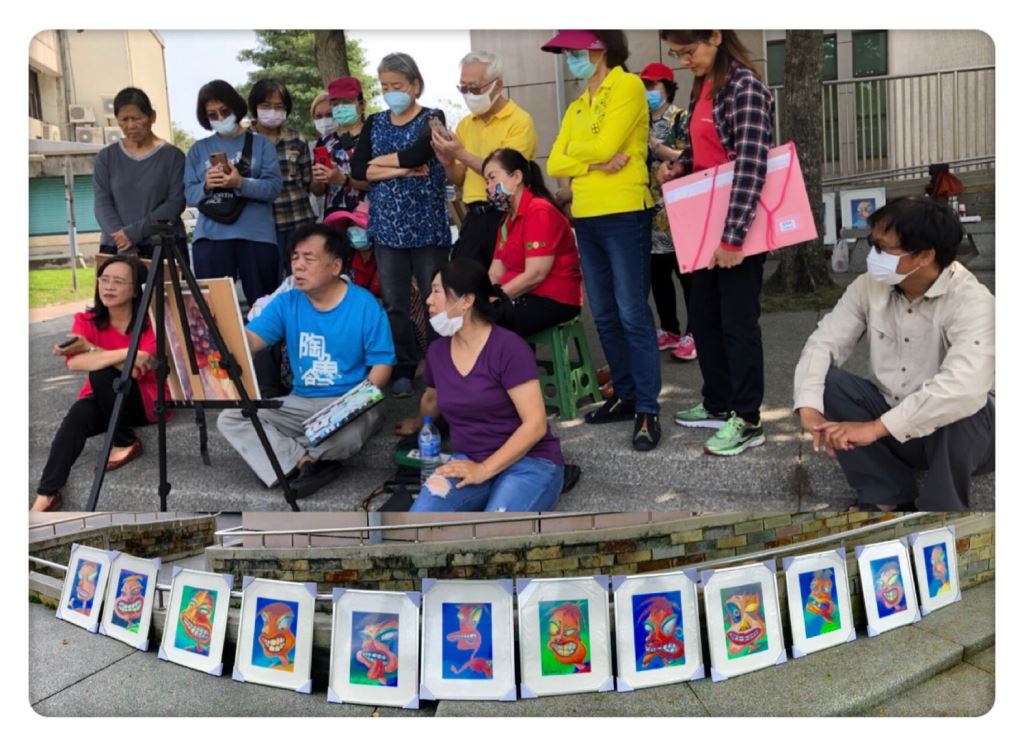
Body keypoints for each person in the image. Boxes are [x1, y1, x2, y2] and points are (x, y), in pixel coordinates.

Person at [793, 196, 994, 512]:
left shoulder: (973, 302)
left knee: (963, 406)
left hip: (963, 438)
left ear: (925, 256)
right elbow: (824, 342)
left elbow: (963, 388)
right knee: (828, 385)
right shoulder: (868, 286)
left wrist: (874, 429)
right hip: (892, 417)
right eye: (873, 245)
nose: (874, 257)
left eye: (884, 249)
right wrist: (809, 409)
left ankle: (938, 513)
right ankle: (886, 494)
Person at [543, 30, 662, 451]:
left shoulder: (627, 85)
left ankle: (647, 405)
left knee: (632, 312)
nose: (571, 59)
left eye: (577, 51)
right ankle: (626, 395)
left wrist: (580, 156)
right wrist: (594, 159)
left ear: (601, 48)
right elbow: (553, 158)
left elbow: (605, 144)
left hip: (625, 211)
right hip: (586, 216)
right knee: (605, 314)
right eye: (567, 53)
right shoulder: (577, 104)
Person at [657, 30, 774, 457]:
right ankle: (718, 403)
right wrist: (679, 166)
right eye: (677, 54)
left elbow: (750, 165)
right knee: (704, 319)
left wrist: (733, 237)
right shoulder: (704, 86)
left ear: (715, 36)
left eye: (689, 51)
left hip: (735, 231)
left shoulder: (745, 87)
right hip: (705, 225)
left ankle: (747, 420)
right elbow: (699, 151)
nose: (684, 61)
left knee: (738, 324)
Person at [217, 224, 395, 499]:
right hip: (299, 402)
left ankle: (279, 457)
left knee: (346, 437)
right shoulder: (287, 302)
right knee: (230, 418)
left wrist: (352, 406)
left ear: (335, 266)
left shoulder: (364, 304)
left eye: (308, 258)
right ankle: (304, 462)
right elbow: (251, 341)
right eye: (295, 258)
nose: (298, 266)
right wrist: (218, 328)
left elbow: (382, 366)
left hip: (351, 400)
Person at [394, 259, 565, 512]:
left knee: (493, 529)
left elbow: (535, 425)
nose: (428, 300)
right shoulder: (438, 351)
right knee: (421, 520)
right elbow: (432, 399)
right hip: (468, 460)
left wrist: (485, 469)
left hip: (529, 462)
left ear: (466, 301)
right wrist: (419, 423)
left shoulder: (509, 348)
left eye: (437, 291)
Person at [350, 53, 451, 399]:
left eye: (398, 85)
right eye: (385, 86)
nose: (391, 92)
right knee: (395, 303)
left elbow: (418, 154)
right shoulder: (375, 123)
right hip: (388, 230)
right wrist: (401, 170)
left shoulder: (432, 118)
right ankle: (404, 368)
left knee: (434, 299)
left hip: (427, 226)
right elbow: (358, 170)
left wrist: (385, 164)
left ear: (415, 85)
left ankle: (440, 369)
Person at [32, 256, 166, 511]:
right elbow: (73, 363)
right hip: (104, 400)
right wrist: (128, 354)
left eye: (118, 281)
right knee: (78, 414)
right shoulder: (87, 319)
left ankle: (125, 440)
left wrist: (93, 351)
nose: (108, 287)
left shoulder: (150, 323)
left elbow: (139, 371)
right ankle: (47, 494)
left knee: (102, 374)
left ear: (136, 289)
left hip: (143, 400)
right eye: (104, 279)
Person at [430, 51, 538, 269]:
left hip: (507, 214)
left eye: (475, 88)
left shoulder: (519, 120)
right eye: (463, 88)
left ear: (498, 86)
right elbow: (460, 178)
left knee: (504, 286)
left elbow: (507, 176)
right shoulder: (466, 124)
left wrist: (460, 153)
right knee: (466, 285)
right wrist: (448, 162)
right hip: (474, 214)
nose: (469, 94)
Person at [184, 79, 283, 306]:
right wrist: (207, 185)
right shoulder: (198, 149)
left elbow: (273, 188)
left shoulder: (262, 144)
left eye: (224, 111)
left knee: (264, 307)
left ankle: (266, 344)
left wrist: (240, 182)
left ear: (235, 108)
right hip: (211, 237)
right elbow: (189, 195)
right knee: (214, 310)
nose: (219, 118)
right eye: (212, 115)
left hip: (256, 236)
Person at [482, 148, 582, 337]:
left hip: (554, 298)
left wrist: (495, 300)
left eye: (493, 178)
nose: (489, 187)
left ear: (517, 176)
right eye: (487, 181)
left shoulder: (538, 211)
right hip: (522, 295)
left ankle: (514, 366)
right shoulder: (507, 220)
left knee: (484, 325)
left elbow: (535, 274)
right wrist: (479, 298)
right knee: (470, 317)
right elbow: (496, 271)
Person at [640, 63, 697, 362]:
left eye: (653, 86)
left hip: (678, 206)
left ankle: (695, 331)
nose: (648, 92)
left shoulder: (680, 117)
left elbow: (688, 156)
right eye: (644, 86)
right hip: (648, 208)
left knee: (686, 273)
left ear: (668, 87)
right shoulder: (638, 120)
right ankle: (669, 328)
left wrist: (657, 147)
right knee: (657, 273)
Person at [92, 87, 186, 259]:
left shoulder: (173, 157)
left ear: (152, 117)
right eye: (124, 120)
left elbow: (175, 203)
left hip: (162, 246)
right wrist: (121, 238)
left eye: (137, 118)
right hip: (116, 246)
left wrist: (133, 233)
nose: (130, 126)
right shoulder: (106, 158)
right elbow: (102, 203)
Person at [248, 78, 316, 279]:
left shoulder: (297, 139)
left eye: (279, 107)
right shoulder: (244, 141)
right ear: (255, 107)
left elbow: (308, 183)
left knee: (304, 281)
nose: (272, 111)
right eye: (266, 106)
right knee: (268, 286)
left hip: (298, 221)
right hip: (262, 227)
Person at [311, 77, 371, 221]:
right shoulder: (325, 142)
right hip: (334, 220)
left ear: (362, 105)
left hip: (369, 219)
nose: (340, 108)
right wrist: (319, 178)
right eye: (336, 104)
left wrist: (343, 180)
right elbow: (317, 191)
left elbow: (380, 184)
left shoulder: (374, 136)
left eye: (346, 102)